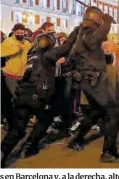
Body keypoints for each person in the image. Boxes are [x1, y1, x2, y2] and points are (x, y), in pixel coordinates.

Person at [1, 30, 78, 167]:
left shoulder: (31, 55)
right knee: (46, 118)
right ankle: (29, 146)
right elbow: (66, 47)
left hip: (23, 94)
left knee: (17, 127)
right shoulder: (47, 55)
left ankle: (3, 152)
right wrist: (77, 30)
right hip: (38, 96)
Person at [67, 6, 119, 163]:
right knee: (113, 112)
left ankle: (76, 139)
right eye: (101, 19)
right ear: (96, 18)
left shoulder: (82, 31)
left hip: (89, 78)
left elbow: (88, 53)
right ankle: (108, 152)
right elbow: (92, 42)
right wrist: (106, 23)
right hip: (93, 80)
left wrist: (103, 59)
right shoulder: (87, 30)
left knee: (95, 111)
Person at [1, 24, 32, 129]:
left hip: (22, 75)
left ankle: (15, 121)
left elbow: (31, 53)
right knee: (15, 98)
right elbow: (1, 52)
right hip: (10, 74)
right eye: (17, 33)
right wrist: (16, 48)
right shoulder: (8, 41)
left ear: (24, 32)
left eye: (21, 33)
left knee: (20, 99)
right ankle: (11, 122)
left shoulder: (26, 42)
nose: (20, 34)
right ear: (14, 32)